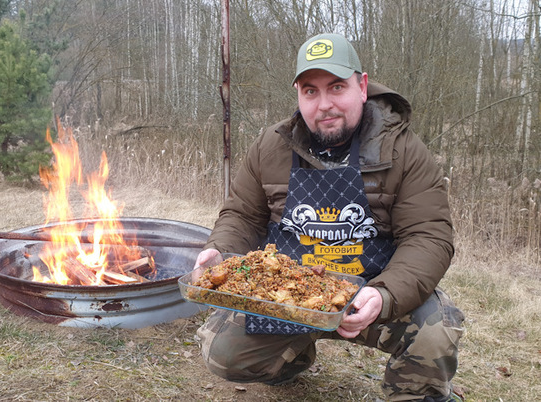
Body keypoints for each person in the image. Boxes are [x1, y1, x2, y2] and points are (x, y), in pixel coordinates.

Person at [194, 33, 465, 401]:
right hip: (287, 298)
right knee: (221, 352)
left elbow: (429, 236)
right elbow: (243, 215)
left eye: (337, 87)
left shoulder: (404, 150)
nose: (325, 105)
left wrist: (384, 295)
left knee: (436, 331)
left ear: (362, 86)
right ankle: (293, 358)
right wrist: (220, 252)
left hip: (372, 288)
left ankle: (417, 394)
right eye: (310, 91)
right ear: (298, 95)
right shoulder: (270, 145)